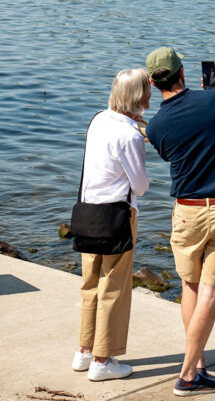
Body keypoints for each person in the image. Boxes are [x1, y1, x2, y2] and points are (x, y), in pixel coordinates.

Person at [144, 47, 215, 397]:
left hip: (186, 212)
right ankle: (188, 375)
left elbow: (171, 152)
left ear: (152, 82)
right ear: (183, 72)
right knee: (210, 290)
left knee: (189, 285)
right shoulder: (213, 100)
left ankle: (199, 364)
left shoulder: (155, 126)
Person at [72, 68, 151, 381]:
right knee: (114, 288)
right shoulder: (130, 136)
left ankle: (84, 352)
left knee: (90, 284)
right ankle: (103, 361)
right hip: (117, 217)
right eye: (146, 89)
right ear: (137, 97)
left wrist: (139, 126)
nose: (150, 94)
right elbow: (141, 186)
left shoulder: (98, 119)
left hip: (88, 213)